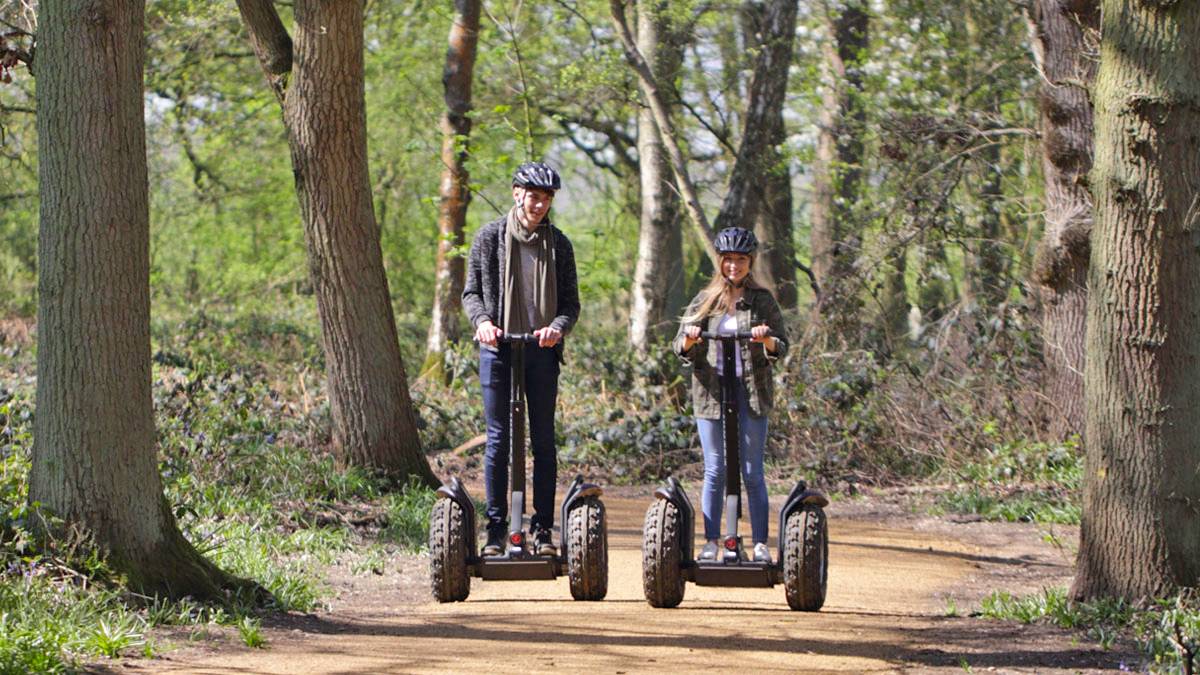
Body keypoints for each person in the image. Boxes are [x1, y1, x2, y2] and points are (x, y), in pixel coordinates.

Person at [462, 161, 580, 557]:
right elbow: (471, 293)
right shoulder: (489, 238)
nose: (540, 204)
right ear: (517, 193)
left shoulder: (559, 245)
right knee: (498, 441)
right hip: (498, 348)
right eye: (534, 196)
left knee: (543, 441)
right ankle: (496, 530)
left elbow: (570, 305)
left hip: (541, 352)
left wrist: (557, 327)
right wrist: (482, 322)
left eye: (546, 198)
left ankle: (542, 529)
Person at [671, 226, 788, 563]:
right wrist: (691, 339)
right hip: (711, 393)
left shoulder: (763, 300)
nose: (734, 266)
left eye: (740, 260)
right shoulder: (705, 300)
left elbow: (782, 344)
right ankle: (711, 542)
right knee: (715, 470)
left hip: (751, 392)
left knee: (752, 471)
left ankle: (761, 544)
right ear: (720, 262)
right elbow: (679, 345)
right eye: (728, 260)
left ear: (750, 262)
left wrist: (767, 340)